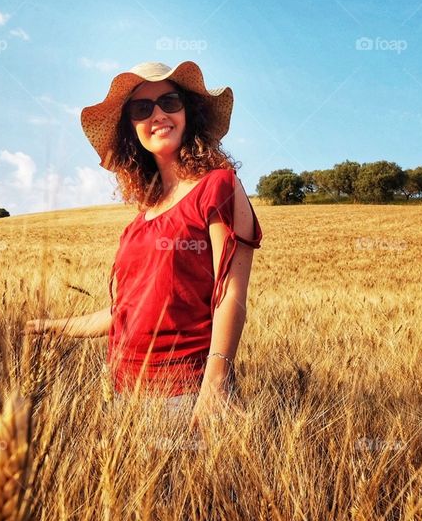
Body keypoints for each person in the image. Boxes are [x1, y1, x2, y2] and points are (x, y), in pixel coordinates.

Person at [25, 60, 263, 432]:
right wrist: (52, 326)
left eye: (170, 102)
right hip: (121, 392)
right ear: (131, 129)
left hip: (185, 393)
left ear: (189, 112)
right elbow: (124, 312)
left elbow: (230, 292)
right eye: (142, 108)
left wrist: (216, 382)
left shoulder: (218, 187)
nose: (158, 115)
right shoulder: (139, 221)